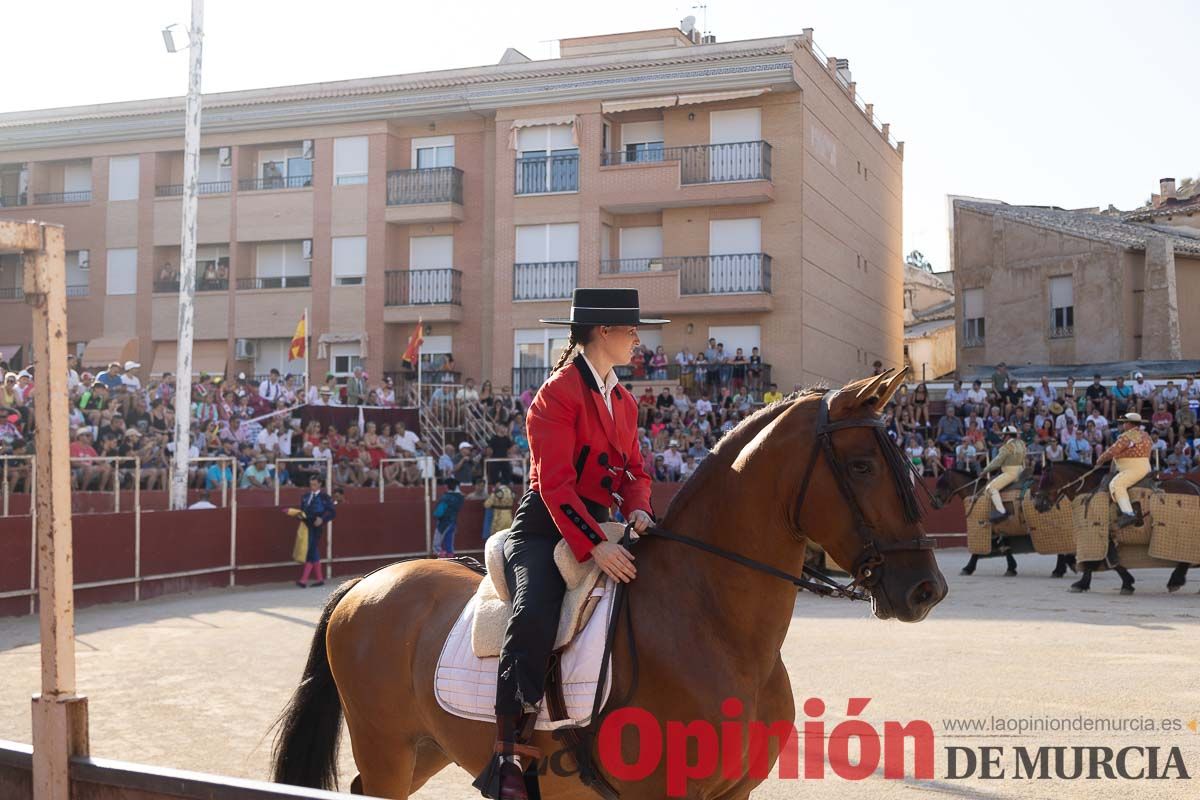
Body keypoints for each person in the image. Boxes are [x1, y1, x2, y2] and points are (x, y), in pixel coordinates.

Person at [473, 288, 660, 800]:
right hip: (543, 527)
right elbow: (555, 486)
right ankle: (508, 755)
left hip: (600, 523)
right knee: (534, 612)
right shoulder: (556, 393)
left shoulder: (623, 399)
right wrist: (597, 545)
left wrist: (638, 507)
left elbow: (635, 473)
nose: (638, 338)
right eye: (631, 330)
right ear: (604, 332)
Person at [1096, 413, 1153, 528]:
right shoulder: (1146, 435)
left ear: (1129, 424)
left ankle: (1128, 513)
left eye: (1124, 422)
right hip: (1144, 466)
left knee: (1117, 484)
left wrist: (1100, 459)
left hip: (1133, 468)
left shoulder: (1127, 436)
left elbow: (1113, 451)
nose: (1123, 425)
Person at [292, 475, 336, 586]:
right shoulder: (305, 496)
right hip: (305, 526)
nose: (312, 486)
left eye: (315, 484)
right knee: (312, 550)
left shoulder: (325, 497)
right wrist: (299, 515)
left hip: (316, 526)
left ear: (320, 484)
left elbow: (331, 512)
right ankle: (319, 579)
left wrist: (322, 519)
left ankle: (304, 580)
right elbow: (303, 511)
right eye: (311, 484)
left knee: (311, 549)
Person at [980, 425, 1025, 521]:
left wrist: (985, 470)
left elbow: (997, 461)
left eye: (1003, 435)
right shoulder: (1022, 444)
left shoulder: (1007, 447)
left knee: (991, 488)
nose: (1002, 437)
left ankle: (1001, 511)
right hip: (1021, 471)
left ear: (1007, 436)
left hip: (1011, 473)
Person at [432, 478, 465, 557]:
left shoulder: (446, 497)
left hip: (443, 523)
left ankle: (440, 554)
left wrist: (435, 515)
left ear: (446, 486)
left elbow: (439, 512)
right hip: (453, 522)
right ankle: (450, 554)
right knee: (449, 540)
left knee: (437, 543)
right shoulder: (460, 497)